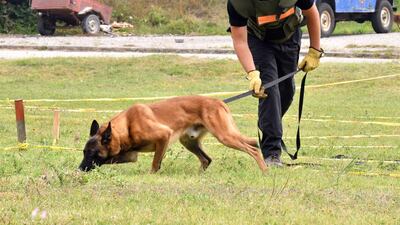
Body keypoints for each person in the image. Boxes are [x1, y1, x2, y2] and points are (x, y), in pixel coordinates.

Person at [227, 0, 324, 166]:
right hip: (258, 40)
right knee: (270, 89)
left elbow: (312, 12)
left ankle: (268, 122)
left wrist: (315, 51)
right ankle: (271, 154)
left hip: (289, 36)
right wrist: (252, 73)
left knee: (286, 92)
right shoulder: (238, 3)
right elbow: (239, 40)